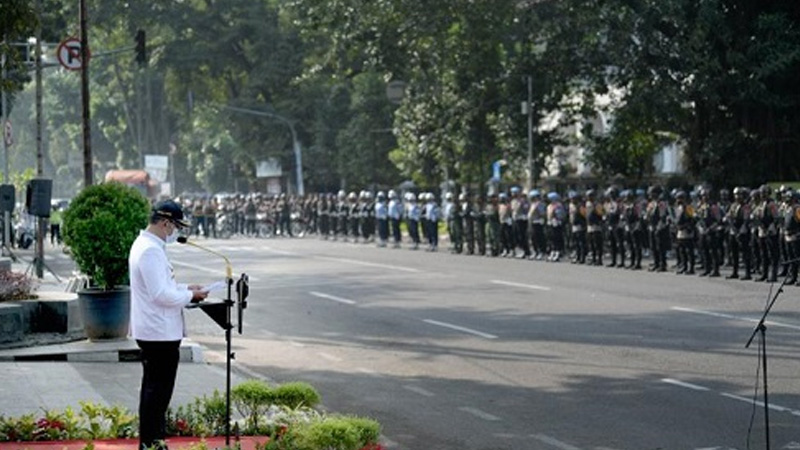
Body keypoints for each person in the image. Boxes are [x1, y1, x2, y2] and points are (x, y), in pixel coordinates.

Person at [129, 200, 208, 450]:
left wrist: (186, 288)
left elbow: (162, 287)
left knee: (154, 391)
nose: (176, 232)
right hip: (158, 332)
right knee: (158, 393)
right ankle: (152, 443)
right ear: (165, 223)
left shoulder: (147, 245)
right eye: (175, 226)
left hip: (155, 330)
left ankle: (151, 442)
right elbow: (160, 295)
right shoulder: (150, 250)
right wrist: (190, 297)